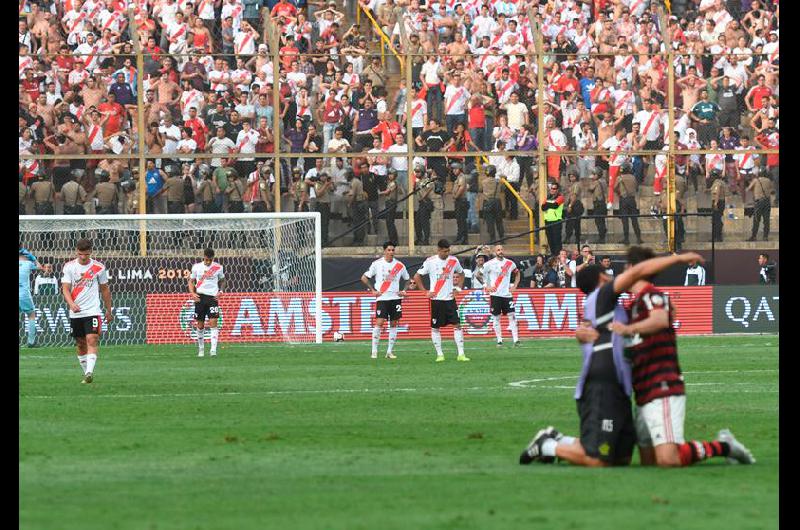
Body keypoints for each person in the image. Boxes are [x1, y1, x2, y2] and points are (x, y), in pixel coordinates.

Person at [519, 251, 706, 467]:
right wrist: (678, 259)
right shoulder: (603, 295)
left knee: (620, 457)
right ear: (603, 278)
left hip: (620, 387)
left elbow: (590, 328)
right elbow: (638, 271)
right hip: (603, 384)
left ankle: (560, 440)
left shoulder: (609, 305)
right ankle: (547, 446)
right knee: (599, 460)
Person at [609, 247, 755, 467]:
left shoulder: (653, 295)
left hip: (663, 385)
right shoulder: (635, 304)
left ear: (635, 269)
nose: (624, 274)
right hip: (643, 388)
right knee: (650, 462)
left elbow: (660, 321)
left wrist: (627, 330)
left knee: (668, 460)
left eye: (627, 267)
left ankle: (724, 446)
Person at [60, 239, 112, 384]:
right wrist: (71, 304)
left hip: (92, 311)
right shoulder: (69, 267)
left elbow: (105, 289)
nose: (83, 257)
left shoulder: (98, 267)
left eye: (86, 254)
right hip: (76, 312)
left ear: (91, 252)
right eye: (81, 254)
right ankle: (86, 374)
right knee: (80, 343)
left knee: (92, 339)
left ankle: (90, 372)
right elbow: (65, 288)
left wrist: (109, 310)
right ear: (76, 251)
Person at [413, 239, 469, 362]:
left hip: (450, 299)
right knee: (435, 327)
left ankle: (461, 354)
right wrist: (425, 292)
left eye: (448, 251)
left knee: (458, 325)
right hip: (436, 300)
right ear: (438, 250)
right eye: (445, 251)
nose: (447, 253)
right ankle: (440, 354)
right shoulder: (430, 261)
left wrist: (458, 288)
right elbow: (417, 276)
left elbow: (462, 273)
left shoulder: (453, 261)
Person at [361, 241, 410, 360]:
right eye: (389, 250)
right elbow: (364, 277)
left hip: (395, 299)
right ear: (384, 251)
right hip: (382, 298)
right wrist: (373, 290)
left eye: (393, 250)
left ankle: (389, 352)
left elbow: (408, 279)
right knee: (379, 322)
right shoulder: (377, 264)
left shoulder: (399, 265)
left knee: (394, 323)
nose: (391, 252)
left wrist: (404, 290)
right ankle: (374, 351)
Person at [189, 248, 226, 358]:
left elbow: (223, 280)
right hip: (200, 297)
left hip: (212, 298)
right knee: (200, 325)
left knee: (213, 323)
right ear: (203, 257)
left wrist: (221, 291)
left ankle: (213, 350)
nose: (208, 262)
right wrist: (192, 293)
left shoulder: (218, 267)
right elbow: (191, 281)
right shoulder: (196, 267)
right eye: (207, 259)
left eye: (210, 260)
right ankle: (201, 350)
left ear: (213, 258)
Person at [482, 245, 520, 347]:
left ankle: (516, 340)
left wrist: (515, 285)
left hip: (507, 294)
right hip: (495, 294)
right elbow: (480, 275)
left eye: (502, 249)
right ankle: (499, 340)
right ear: (495, 252)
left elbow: (517, 273)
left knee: (512, 316)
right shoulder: (489, 264)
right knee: (496, 318)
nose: (500, 251)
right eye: (498, 250)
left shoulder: (510, 263)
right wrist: (487, 286)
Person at [19, 247, 45, 348]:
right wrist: (33, 258)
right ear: (24, 256)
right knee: (31, 315)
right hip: (24, 295)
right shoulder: (28, 263)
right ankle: (31, 342)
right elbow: (40, 267)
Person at [614, 164, 642, 245]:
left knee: (625, 220)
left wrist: (620, 192)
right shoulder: (633, 177)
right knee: (634, 220)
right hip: (632, 200)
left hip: (623, 200)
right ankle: (639, 238)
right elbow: (636, 188)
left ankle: (626, 239)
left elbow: (615, 188)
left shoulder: (619, 178)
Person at [746, 173, 774, 241]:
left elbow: (748, 189)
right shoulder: (768, 180)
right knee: (766, 220)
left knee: (756, 220)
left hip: (759, 202)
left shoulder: (756, 180)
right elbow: (772, 190)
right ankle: (765, 237)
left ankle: (754, 236)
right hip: (767, 202)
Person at [481, 164, 504, 243]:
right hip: (497, 202)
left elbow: (480, 189)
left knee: (490, 222)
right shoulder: (498, 182)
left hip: (488, 202)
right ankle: (502, 238)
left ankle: (492, 239)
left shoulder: (484, 181)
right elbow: (502, 189)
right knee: (499, 221)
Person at [542, 181, 564, 255]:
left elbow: (555, 205)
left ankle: (558, 255)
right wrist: (550, 204)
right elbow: (543, 207)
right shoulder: (547, 197)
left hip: (556, 221)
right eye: (551, 188)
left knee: (557, 240)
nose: (552, 190)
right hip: (548, 221)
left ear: (557, 190)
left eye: (554, 188)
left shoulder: (560, 197)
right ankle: (553, 255)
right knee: (550, 240)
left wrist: (548, 204)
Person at [587, 167, 607, 244]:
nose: (592, 176)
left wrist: (591, 180)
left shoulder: (596, 182)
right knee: (602, 220)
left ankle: (601, 238)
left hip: (598, 203)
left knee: (598, 221)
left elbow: (590, 189)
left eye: (594, 174)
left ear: (597, 175)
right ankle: (603, 234)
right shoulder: (603, 181)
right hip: (602, 203)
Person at [564, 171, 583, 246]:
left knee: (574, 223)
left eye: (573, 176)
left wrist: (570, 206)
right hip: (571, 203)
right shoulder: (571, 185)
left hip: (575, 205)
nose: (571, 178)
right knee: (569, 222)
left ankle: (576, 238)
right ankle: (569, 237)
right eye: (570, 176)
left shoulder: (576, 185)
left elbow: (574, 196)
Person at [451, 163, 469, 244]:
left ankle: (460, 238)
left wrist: (455, 196)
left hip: (461, 201)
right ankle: (463, 238)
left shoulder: (462, 177)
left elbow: (461, 188)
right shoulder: (458, 177)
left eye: (456, 169)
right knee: (461, 221)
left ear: (460, 169)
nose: (454, 170)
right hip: (459, 201)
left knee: (461, 221)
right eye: (453, 169)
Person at [709, 171, 726, 242]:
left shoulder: (717, 183)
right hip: (721, 201)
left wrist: (715, 203)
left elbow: (717, 192)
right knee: (717, 219)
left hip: (718, 202)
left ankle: (717, 237)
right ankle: (718, 237)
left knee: (716, 220)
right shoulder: (721, 182)